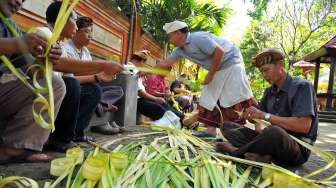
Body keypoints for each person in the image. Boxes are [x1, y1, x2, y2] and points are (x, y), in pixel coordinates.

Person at [44, 1, 123, 152]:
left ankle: (75, 132)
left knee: (96, 89)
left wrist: (100, 75)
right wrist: (101, 69)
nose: (75, 25)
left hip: (61, 88)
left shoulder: (66, 46)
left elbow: (72, 73)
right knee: (76, 87)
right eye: (73, 20)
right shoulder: (46, 37)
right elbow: (64, 69)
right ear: (62, 19)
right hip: (46, 91)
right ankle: (61, 138)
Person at [217, 49, 318, 166]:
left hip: (297, 148)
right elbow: (259, 122)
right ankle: (262, 155)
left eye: (266, 70)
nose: (264, 75)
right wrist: (253, 118)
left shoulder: (302, 86)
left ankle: (237, 152)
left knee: (274, 132)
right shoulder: (269, 92)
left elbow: (304, 126)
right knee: (228, 126)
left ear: (280, 65)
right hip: (271, 140)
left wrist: (265, 116)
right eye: (261, 72)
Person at [158, 20, 255, 137]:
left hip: (231, 61)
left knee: (239, 95)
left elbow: (220, 52)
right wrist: (143, 70)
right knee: (208, 97)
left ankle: (259, 125)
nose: (170, 39)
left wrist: (211, 74)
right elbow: (165, 63)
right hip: (217, 68)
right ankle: (211, 131)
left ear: (178, 33)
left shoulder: (198, 38)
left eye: (170, 36)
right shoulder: (179, 51)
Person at [0, 0, 66, 163]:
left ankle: (14, 148)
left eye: (23, 0)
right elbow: (16, 45)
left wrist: (45, 57)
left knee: (55, 84)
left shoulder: (11, 27)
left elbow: (26, 65)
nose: (18, 2)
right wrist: (15, 44)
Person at [62, 16, 123, 135]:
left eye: (91, 33)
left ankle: (101, 104)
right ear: (75, 31)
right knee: (94, 90)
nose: (90, 36)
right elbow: (70, 79)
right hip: (72, 87)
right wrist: (96, 77)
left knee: (117, 90)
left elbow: (89, 73)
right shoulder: (66, 49)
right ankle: (76, 131)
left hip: (86, 85)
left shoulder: (85, 52)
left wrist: (103, 74)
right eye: (86, 32)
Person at [129, 50, 184, 122]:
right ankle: (181, 120)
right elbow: (141, 92)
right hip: (137, 100)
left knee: (166, 103)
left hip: (143, 98)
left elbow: (166, 88)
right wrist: (156, 98)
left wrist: (166, 93)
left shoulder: (137, 71)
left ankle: (182, 118)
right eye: (144, 62)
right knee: (160, 107)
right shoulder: (131, 69)